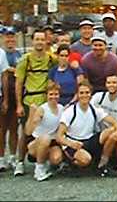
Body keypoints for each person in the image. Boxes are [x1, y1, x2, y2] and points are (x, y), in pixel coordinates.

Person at [56, 81, 117, 176]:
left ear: (91, 94)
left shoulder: (94, 109)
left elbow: (115, 123)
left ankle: (103, 164)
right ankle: (70, 163)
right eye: (81, 93)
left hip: (89, 140)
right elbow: (59, 136)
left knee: (112, 131)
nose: (84, 95)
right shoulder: (70, 112)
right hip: (73, 143)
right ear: (77, 95)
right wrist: (71, 144)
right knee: (85, 160)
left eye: (87, 92)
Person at [14, 29, 57, 176]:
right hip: (29, 101)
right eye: (37, 39)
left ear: (46, 41)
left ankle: (42, 161)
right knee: (25, 133)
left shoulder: (51, 59)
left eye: (42, 39)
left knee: (46, 133)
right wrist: (19, 104)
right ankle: (19, 162)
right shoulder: (25, 60)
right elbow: (19, 83)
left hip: (46, 102)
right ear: (32, 41)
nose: (39, 42)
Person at [25, 83, 64, 181]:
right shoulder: (42, 109)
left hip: (52, 142)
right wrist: (32, 115)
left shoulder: (61, 108)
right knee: (45, 138)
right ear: (46, 95)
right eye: (51, 94)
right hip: (37, 142)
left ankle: (46, 162)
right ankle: (39, 169)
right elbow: (28, 131)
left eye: (56, 94)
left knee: (56, 159)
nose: (53, 97)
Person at [0, 27, 21, 171]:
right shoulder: (1, 54)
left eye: (12, 37)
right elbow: (5, 74)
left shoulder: (21, 54)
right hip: (4, 94)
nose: (10, 40)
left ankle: (13, 156)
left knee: (14, 128)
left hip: (17, 95)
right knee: (2, 129)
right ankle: (1, 158)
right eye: (7, 37)